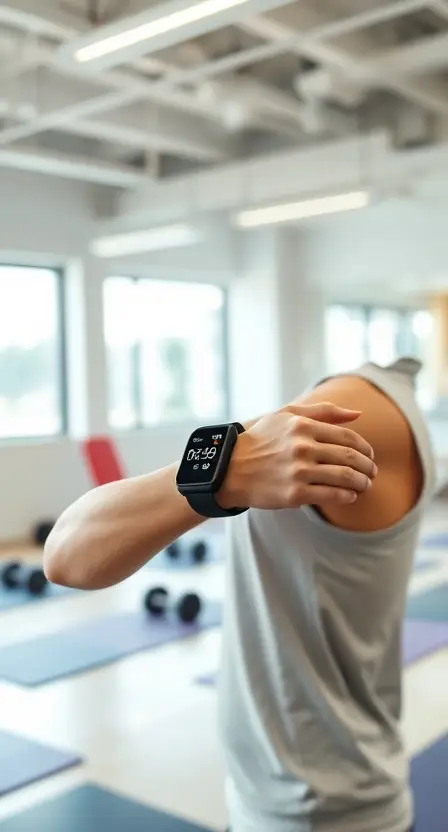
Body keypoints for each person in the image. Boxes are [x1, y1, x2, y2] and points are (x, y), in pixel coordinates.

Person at [44, 357, 434, 832]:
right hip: (312, 796)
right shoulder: (395, 402)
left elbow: (68, 555)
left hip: (313, 812)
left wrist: (223, 472)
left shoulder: (351, 410)